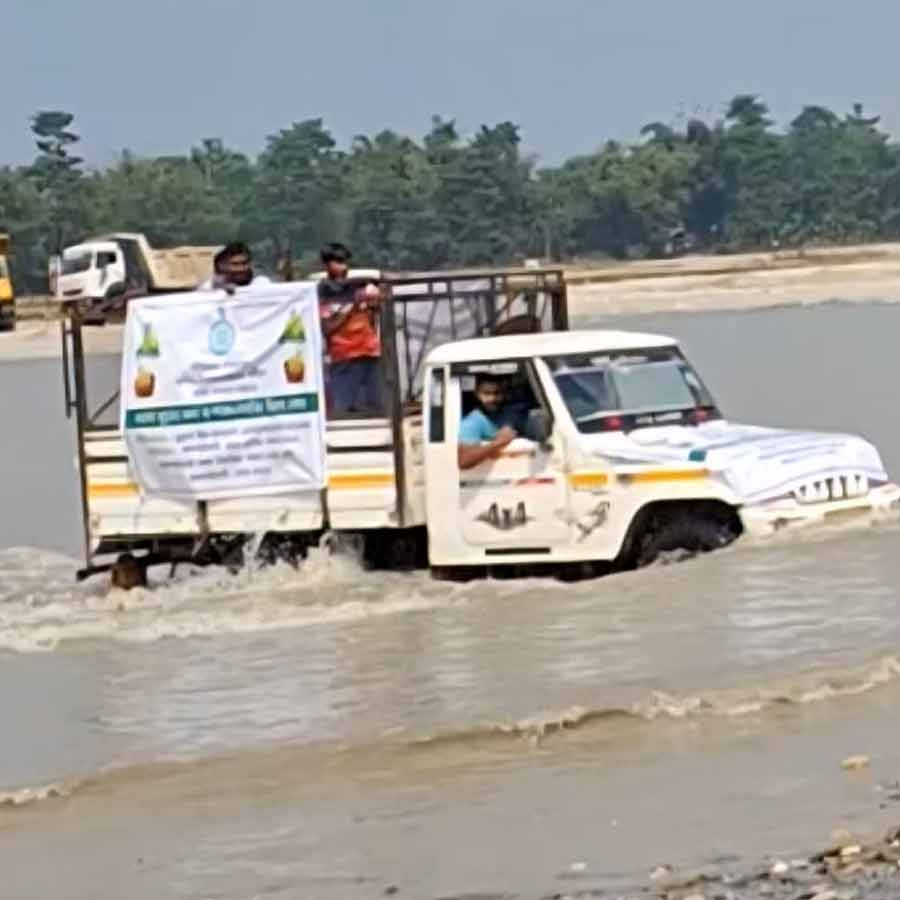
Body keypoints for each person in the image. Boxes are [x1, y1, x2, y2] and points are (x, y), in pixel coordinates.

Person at [317, 242, 384, 415]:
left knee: (375, 409)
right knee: (343, 411)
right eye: (338, 262)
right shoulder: (323, 292)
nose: (344, 267)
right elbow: (328, 328)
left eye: (346, 262)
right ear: (327, 265)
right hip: (344, 359)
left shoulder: (357, 286)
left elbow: (372, 321)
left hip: (370, 355)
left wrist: (372, 306)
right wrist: (351, 306)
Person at [458, 373, 529, 470]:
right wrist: (498, 443)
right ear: (477, 394)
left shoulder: (511, 412)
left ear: (504, 393)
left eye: (497, 393)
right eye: (487, 393)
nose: (492, 398)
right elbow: (463, 460)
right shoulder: (472, 422)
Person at [199, 242, 271, 291]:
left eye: (244, 263)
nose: (241, 269)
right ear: (222, 266)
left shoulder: (262, 284)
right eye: (235, 264)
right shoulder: (209, 288)